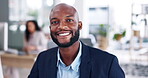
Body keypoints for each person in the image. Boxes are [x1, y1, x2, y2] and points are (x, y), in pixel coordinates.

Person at [28, 3, 125, 78]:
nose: (61, 26)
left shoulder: (107, 62)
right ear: (50, 28)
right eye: (55, 22)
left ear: (79, 26)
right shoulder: (43, 59)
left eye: (69, 20)